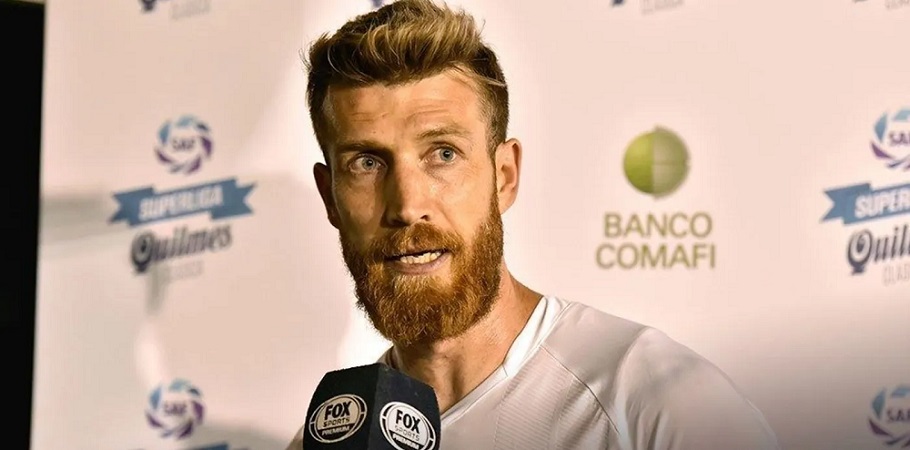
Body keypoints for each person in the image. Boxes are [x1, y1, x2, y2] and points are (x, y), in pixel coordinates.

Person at [287, 0, 780, 448]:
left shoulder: (658, 404)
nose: (408, 205)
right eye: (367, 163)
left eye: (443, 154)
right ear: (330, 196)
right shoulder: (330, 440)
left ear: (504, 176)